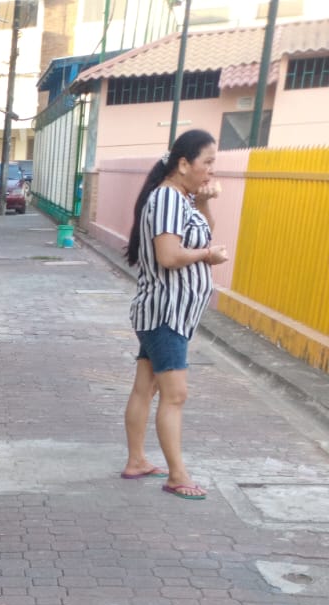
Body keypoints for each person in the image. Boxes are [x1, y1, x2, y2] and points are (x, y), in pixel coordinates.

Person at [121, 129, 228, 501]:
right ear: (184, 164)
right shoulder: (167, 197)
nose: (211, 170)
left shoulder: (182, 198)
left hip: (169, 313)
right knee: (175, 395)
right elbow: (169, 256)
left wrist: (204, 202)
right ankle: (177, 475)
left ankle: (137, 461)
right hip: (166, 313)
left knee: (146, 387)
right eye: (207, 162)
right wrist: (208, 257)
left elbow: (202, 233)